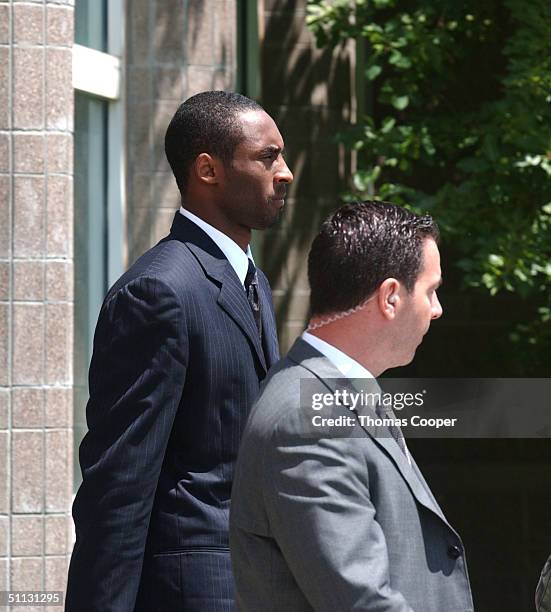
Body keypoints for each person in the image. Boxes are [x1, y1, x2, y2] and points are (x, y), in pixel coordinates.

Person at [66, 91, 293, 612]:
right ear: (208, 170)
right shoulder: (158, 292)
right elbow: (119, 486)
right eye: (266, 157)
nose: (285, 172)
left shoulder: (252, 280)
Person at [230, 201, 474, 611]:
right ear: (391, 297)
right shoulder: (305, 420)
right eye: (431, 291)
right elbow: (360, 600)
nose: (437, 309)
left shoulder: (340, 393)